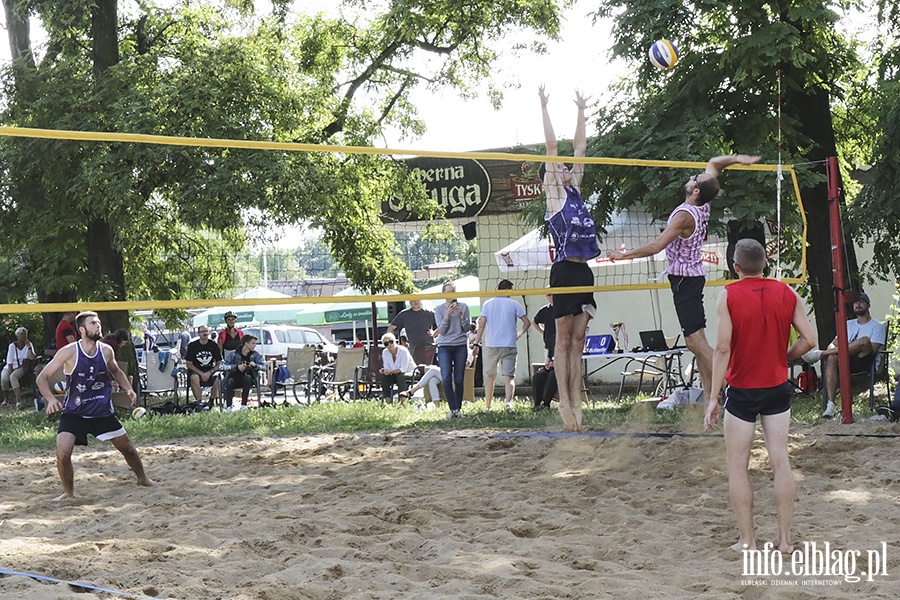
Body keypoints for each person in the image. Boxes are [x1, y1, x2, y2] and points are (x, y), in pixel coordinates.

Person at [608, 153, 762, 401]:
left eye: (694, 179)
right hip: (690, 277)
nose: (691, 178)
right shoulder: (702, 203)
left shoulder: (684, 216)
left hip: (685, 280)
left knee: (695, 342)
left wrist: (623, 256)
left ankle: (736, 385)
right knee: (696, 342)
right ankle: (711, 403)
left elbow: (657, 246)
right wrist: (738, 159)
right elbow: (714, 163)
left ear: (696, 191)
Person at [703, 240, 816, 553]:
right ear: (765, 262)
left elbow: (723, 348)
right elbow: (809, 341)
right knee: (781, 461)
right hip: (777, 387)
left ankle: (748, 541)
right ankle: (784, 541)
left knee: (738, 466)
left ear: (735, 267)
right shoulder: (787, 293)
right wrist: (784, 357)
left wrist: (713, 397)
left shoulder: (728, 294)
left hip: (742, 391)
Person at [36, 311, 154, 500]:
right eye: (93, 323)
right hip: (74, 412)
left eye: (98, 323)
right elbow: (42, 377)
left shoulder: (106, 350)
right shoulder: (69, 351)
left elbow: (116, 371)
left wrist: (129, 389)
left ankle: (143, 478)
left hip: (101, 411)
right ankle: (68, 492)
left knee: (128, 449)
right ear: (82, 329)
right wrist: (50, 399)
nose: (98, 326)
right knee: (63, 454)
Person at [539, 86, 597, 433]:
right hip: (562, 270)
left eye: (565, 166)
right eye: (559, 166)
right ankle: (564, 402)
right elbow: (552, 148)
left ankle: (576, 401)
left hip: (584, 272)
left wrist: (580, 110)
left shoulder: (575, 188)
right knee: (562, 341)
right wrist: (544, 106)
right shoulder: (554, 194)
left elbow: (580, 148)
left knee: (578, 342)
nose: (564, 166)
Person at [802, 292, 885, 418]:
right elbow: (832, 344)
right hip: (845, 360)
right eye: (856, 302)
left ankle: (820, 354)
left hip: (864, 360)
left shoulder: (877, 326)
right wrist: (832, 350)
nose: (858, 304)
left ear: (868, 305)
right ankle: (831, 405)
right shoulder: (847, 324)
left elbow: (872, 349)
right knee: (832, 356)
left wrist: (853, 346)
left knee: (864, 340)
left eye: (861, 302)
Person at [473, 279, 531, 410]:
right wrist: (519, 333)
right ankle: (508, 404)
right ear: (508, 290)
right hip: (509, 344)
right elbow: (527, 323)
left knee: (490, 376)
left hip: (492, 344)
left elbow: (481, 325)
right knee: (509, 377)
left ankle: (488, 406)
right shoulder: (514, 304)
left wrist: (476, 343)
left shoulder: (488, 304)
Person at [434, 280, 471, 418]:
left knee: (459, 378)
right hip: (444, 346)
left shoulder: (464, 307)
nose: (450, 295)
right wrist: (447, 315)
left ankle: (458, 410)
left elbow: (467, 328)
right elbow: (441, 330)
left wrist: (462, 316)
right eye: (448, 292)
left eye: (453, 292)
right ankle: (452, 409)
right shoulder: (439, 309)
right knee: (446, 378)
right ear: (444, 294)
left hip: (460, 345)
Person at [221, 334, 263, 409]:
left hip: (249, 379)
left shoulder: (255, 355)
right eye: (253, 343)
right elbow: (222, 366)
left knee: (248, 379)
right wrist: (237, 367)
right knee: (230, 381)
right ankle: (228, 406)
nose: (255, 345)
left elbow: (264, 366)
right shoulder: (233, 354)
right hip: (234, 377)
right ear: (246, 343)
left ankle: (244, 405)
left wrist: (255, 365)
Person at [185, 326, 223, 405]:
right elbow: (189, 364)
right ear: (198, 333)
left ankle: (211, 401)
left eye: (206, 331)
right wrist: (201, 373)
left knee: (219, 378)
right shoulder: (192, 345)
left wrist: (210, 372)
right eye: (202, 332)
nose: (205, 333)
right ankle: (199, 403)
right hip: (197, 371)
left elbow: (219, 362)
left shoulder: (213, 345)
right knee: (194, 377)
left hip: (210, 370)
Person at [2, 327, 36, 408]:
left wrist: (29, 347)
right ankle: (5, 399)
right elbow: (9, 360)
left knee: (13, 377)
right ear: (17, 336)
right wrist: (10, 370)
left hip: (22, 366)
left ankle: (18, 400)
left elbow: (32, 357)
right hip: (10, 366)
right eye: (21, 334)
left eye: (25, 334)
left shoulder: (29, 344)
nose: (23, 336)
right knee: (4, 378)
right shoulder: (12, 346)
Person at [380, 332, 415, 403]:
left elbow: (403, 369)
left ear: (395, 341)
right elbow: (387, 367)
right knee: (384, 378)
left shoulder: (403, 351)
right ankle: (388, 402)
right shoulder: (385, 352)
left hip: (410, 372)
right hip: (395, 374)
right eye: (386, 343)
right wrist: (384, 371)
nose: (389, 345)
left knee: (400, 377)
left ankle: (403, 402)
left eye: (391, 342)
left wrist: (390, 372)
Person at [532, 295, 556, 360]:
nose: (551, 296)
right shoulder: (545, 310)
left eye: (553, 294)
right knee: (549, 367)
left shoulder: (564, 308)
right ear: (546, 296)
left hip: (563, 345)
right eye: (549, 295)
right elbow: (534, 322)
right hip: (548, 346)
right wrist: (543, 332)